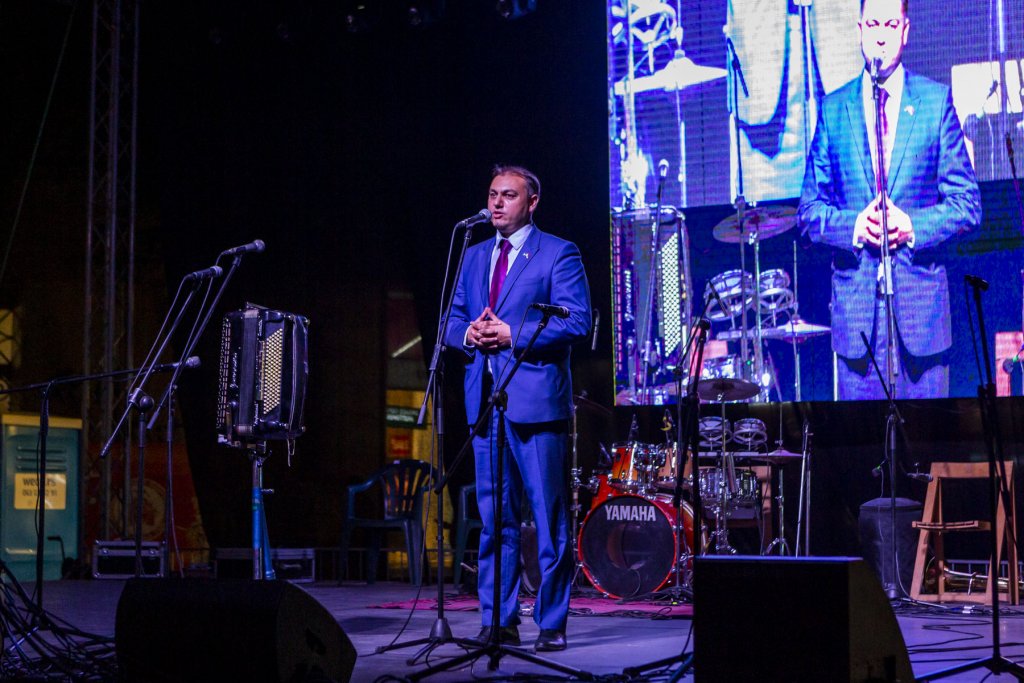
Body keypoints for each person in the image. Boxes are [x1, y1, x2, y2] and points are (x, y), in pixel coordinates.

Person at [798, 0, 981, 399]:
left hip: (921, 321)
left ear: (905, 30)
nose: (881, 35)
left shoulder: (935, 103)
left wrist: (912, 226)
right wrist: (855, 226)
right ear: (860, 29)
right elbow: (809, 212)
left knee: (925, 436)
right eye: (873, 24)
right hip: (857, 325)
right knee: (860, 439)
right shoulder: (834, 109)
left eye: (891, 24)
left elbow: (967, 204)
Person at [444, 164, 591, 652]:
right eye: (492, 194)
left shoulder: (558, 252)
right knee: (495, 522)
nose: (497, 203)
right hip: (485, 402)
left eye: (508, 195)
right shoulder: (473, 255)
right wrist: (469, 334)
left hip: (536, 404)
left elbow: (577, 322)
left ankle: (551, 622)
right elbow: (451, 320)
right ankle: (498, 621)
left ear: (532, 202)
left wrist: (512, 333)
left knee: (548, 522)